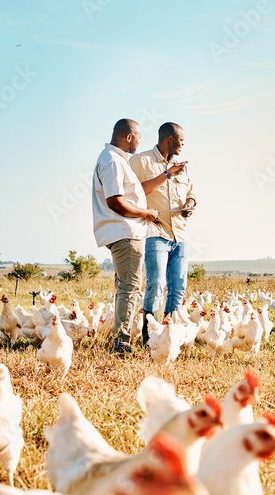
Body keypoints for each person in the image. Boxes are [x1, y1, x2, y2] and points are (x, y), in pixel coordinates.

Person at [91, 118, 185, 353]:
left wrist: (167, 176)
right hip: (125, 232)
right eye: (139, 138)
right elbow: (115, 201)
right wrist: (145, 212)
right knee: (130, 288)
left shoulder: (115, 160)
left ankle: (120, 340)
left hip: (124, 232)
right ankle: (121, 345)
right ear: (129, 137)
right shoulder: (113, 161)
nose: (139, 143)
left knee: (125, 287)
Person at [129, 122, 197, 344]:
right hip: (155, 232)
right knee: (156, 283)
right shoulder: (141, 161)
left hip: (180, 234)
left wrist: (189, 204)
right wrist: (167, 174)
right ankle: (150, 335)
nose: (183, 144)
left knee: (178, 286)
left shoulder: (183, 166)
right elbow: (136, 193)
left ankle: (171, 335)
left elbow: (191, 192)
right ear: (169, 138)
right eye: (181, 139)